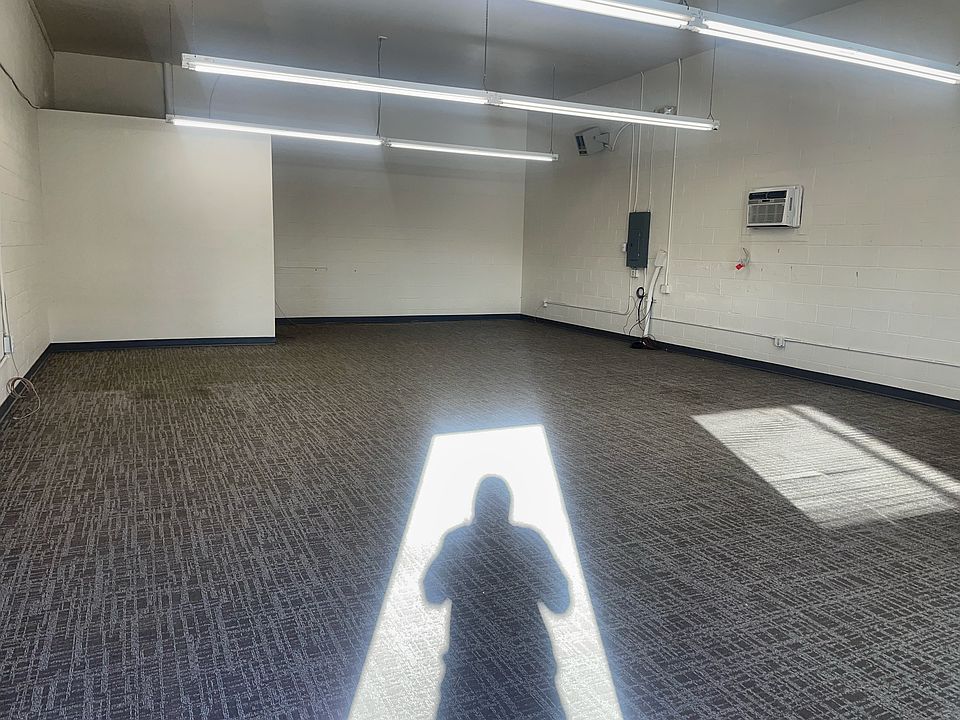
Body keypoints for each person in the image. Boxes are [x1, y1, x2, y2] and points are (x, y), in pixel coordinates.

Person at [424, 475, 570, 720]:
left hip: (469, 675)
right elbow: (560, 602)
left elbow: (432, 593)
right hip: (529, 676)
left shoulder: (458, 542)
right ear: (508, 505)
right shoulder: (529, 542)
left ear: (476, 505)